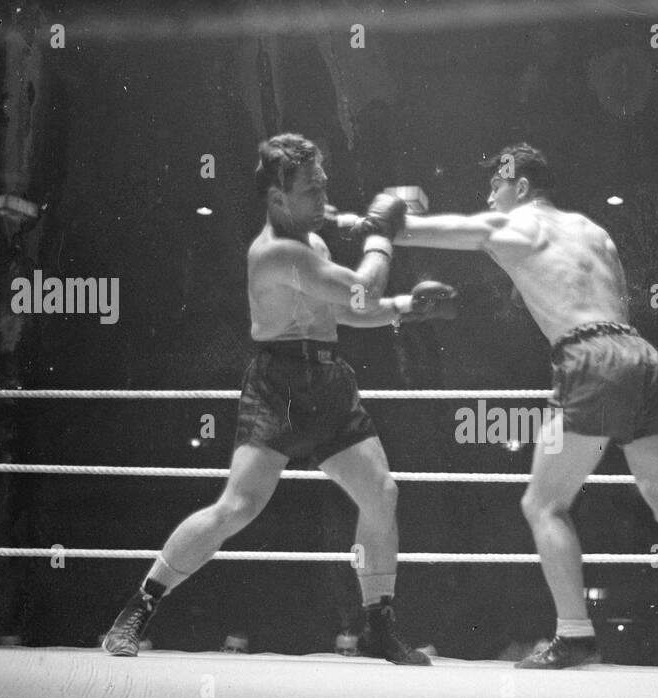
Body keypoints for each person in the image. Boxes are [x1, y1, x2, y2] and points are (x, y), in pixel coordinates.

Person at [390, 142, 658, 671]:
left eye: (495, 184)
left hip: (589, 361)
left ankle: (573, 635)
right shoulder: (596, 232)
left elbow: (413, 231)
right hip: (641, 356)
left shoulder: (513, 229)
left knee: (542, 504)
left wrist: (387, 213)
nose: (488, 194)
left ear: (520, 187)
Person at [101, 133, 454, 665]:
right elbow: (361, 289)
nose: (323, 198)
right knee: (236, 507)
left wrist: (405, 308)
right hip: (277, 386)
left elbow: (347, 313)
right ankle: (136, 610)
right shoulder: (278, 254)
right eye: (311, 190)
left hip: (328, 378)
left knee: (381, 492)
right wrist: (382, 236)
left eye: (324, 187)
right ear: (278, 199)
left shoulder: (310, 244)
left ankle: (379, 626)